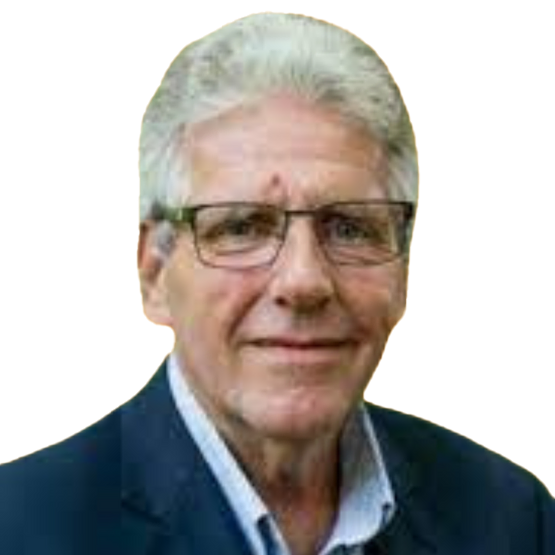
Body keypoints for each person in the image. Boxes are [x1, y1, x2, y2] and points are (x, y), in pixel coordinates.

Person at [1, 11, 553, 555]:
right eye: (242, 226)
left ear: (405, 268)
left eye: (349, 227)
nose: (304, 281)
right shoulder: (17, 528)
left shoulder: (509, 518)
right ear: (154, 274)